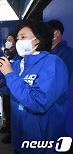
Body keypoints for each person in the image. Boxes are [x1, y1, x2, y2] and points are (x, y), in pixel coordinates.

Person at [0, 20, 68, 154]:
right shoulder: (19, 64)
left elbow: (38, 101)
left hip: (41, 144)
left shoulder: (53, 64)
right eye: (18, 38)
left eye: (23, 37)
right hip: (20, 138)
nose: (18, 41)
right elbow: (11, 84)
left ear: (37, 40)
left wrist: (9, 75)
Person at [47, 19, 73, 153]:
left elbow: (56, 80)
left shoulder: (66, 53)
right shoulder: (46, 52)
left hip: (54, 104)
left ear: (56, 33)